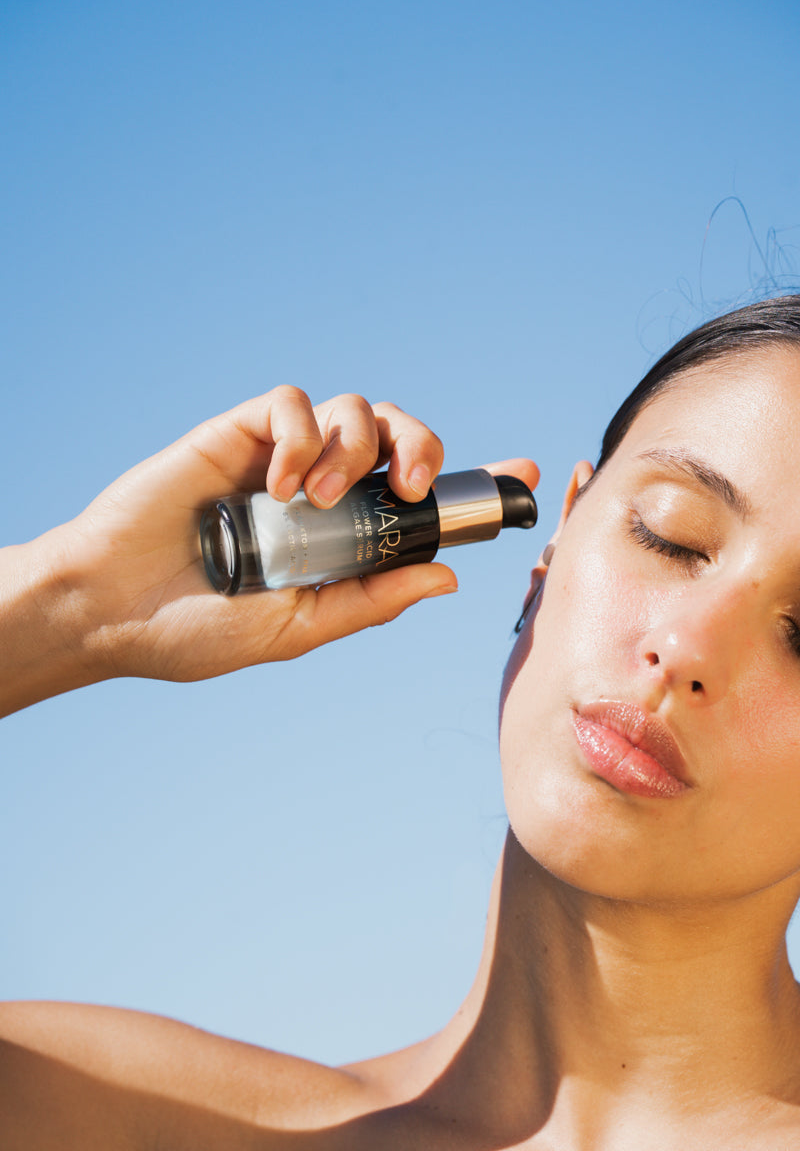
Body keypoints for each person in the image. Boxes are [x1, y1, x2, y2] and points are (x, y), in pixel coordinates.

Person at [2, 294, 800, 1148]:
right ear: (558, 543)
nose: (683, 650)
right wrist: (76, 606)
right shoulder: (118, 1119)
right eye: (669, 537)